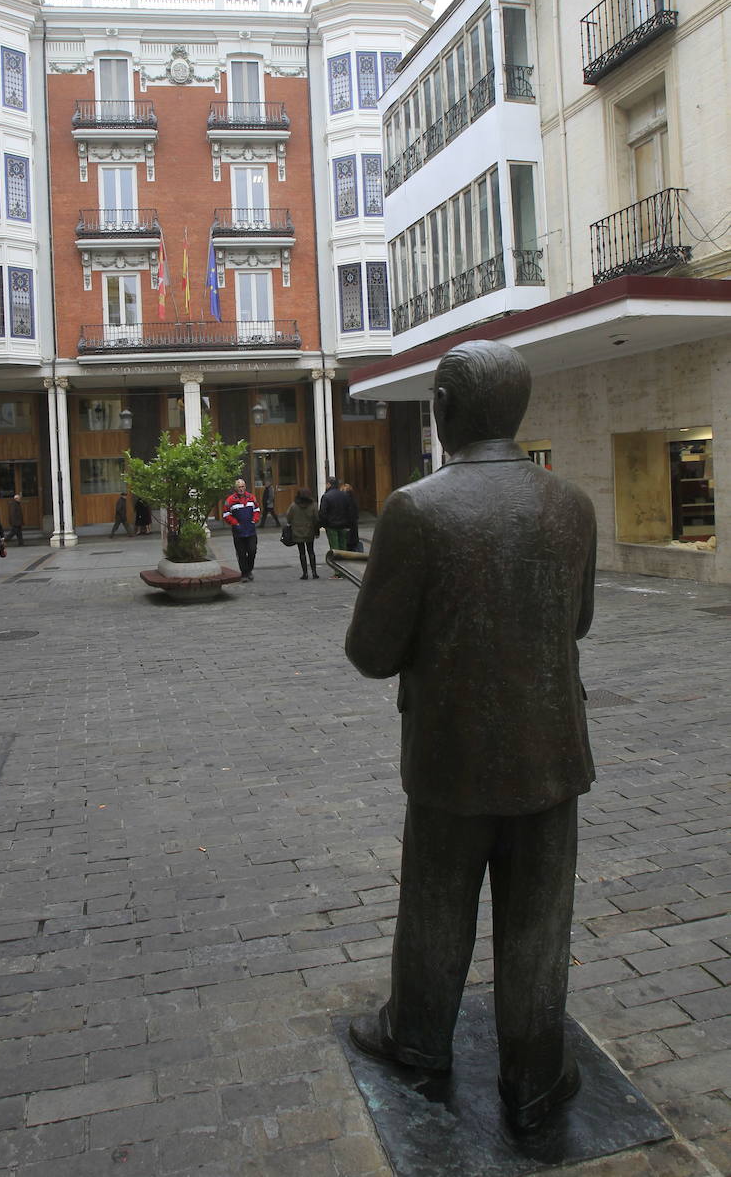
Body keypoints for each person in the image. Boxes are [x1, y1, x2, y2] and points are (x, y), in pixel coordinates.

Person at [344, 339, 596, 1135]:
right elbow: (577, 621)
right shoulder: (573, 507)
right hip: (553, 749)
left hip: (450, 754)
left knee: (436, 902)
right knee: (539, 917)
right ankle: (533, 1074)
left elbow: (371, 653)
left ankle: (418, 1037)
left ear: (444, 409)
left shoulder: (418, 509)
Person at [223, 477, 260, 581]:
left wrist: (255, 519)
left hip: (251, 530)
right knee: (241, 553)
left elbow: (257, 509)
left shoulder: (251, 497)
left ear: (245, 487)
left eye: (242, 486)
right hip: (238, 532)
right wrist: (235, 523)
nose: (241, 489)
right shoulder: (230, 500)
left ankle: (249, 569)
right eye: (239, 487)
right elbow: (226, 515)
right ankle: (244, 573)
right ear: (235, 488)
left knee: (252, 551)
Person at [319, 475, 353, 575]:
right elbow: (349, 510)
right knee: (343, 548)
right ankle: (346, 570)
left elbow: (323, 513)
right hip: (343, 525)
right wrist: (348, 524)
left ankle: (338, 572)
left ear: (329, 484)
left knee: (335, 548)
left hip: (332, 526)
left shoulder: (326, 496)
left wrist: (324, 525)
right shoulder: (344, 495)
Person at [286, 488, 319, 580]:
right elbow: (316, 518)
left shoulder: (293, 506)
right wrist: (317, 531)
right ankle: (314, 572)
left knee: (302, 553)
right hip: (310, 531)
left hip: (297, 532)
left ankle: (305, 573)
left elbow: (288, 517)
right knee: (311, 551)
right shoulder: (313, 505)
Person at [341, 482, 360, 552]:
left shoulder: (344, 501)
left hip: (347, 524)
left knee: (347, 542)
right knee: (353, 542)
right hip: (353, 524)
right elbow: (356, 513)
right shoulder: (354, 500)